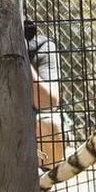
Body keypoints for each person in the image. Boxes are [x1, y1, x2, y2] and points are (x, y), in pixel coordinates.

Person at [25, 20, 66, 168]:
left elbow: (49, 102)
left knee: (50, 121)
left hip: (28, 123)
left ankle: (44, 185)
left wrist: (21, 58)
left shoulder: (42, 46)